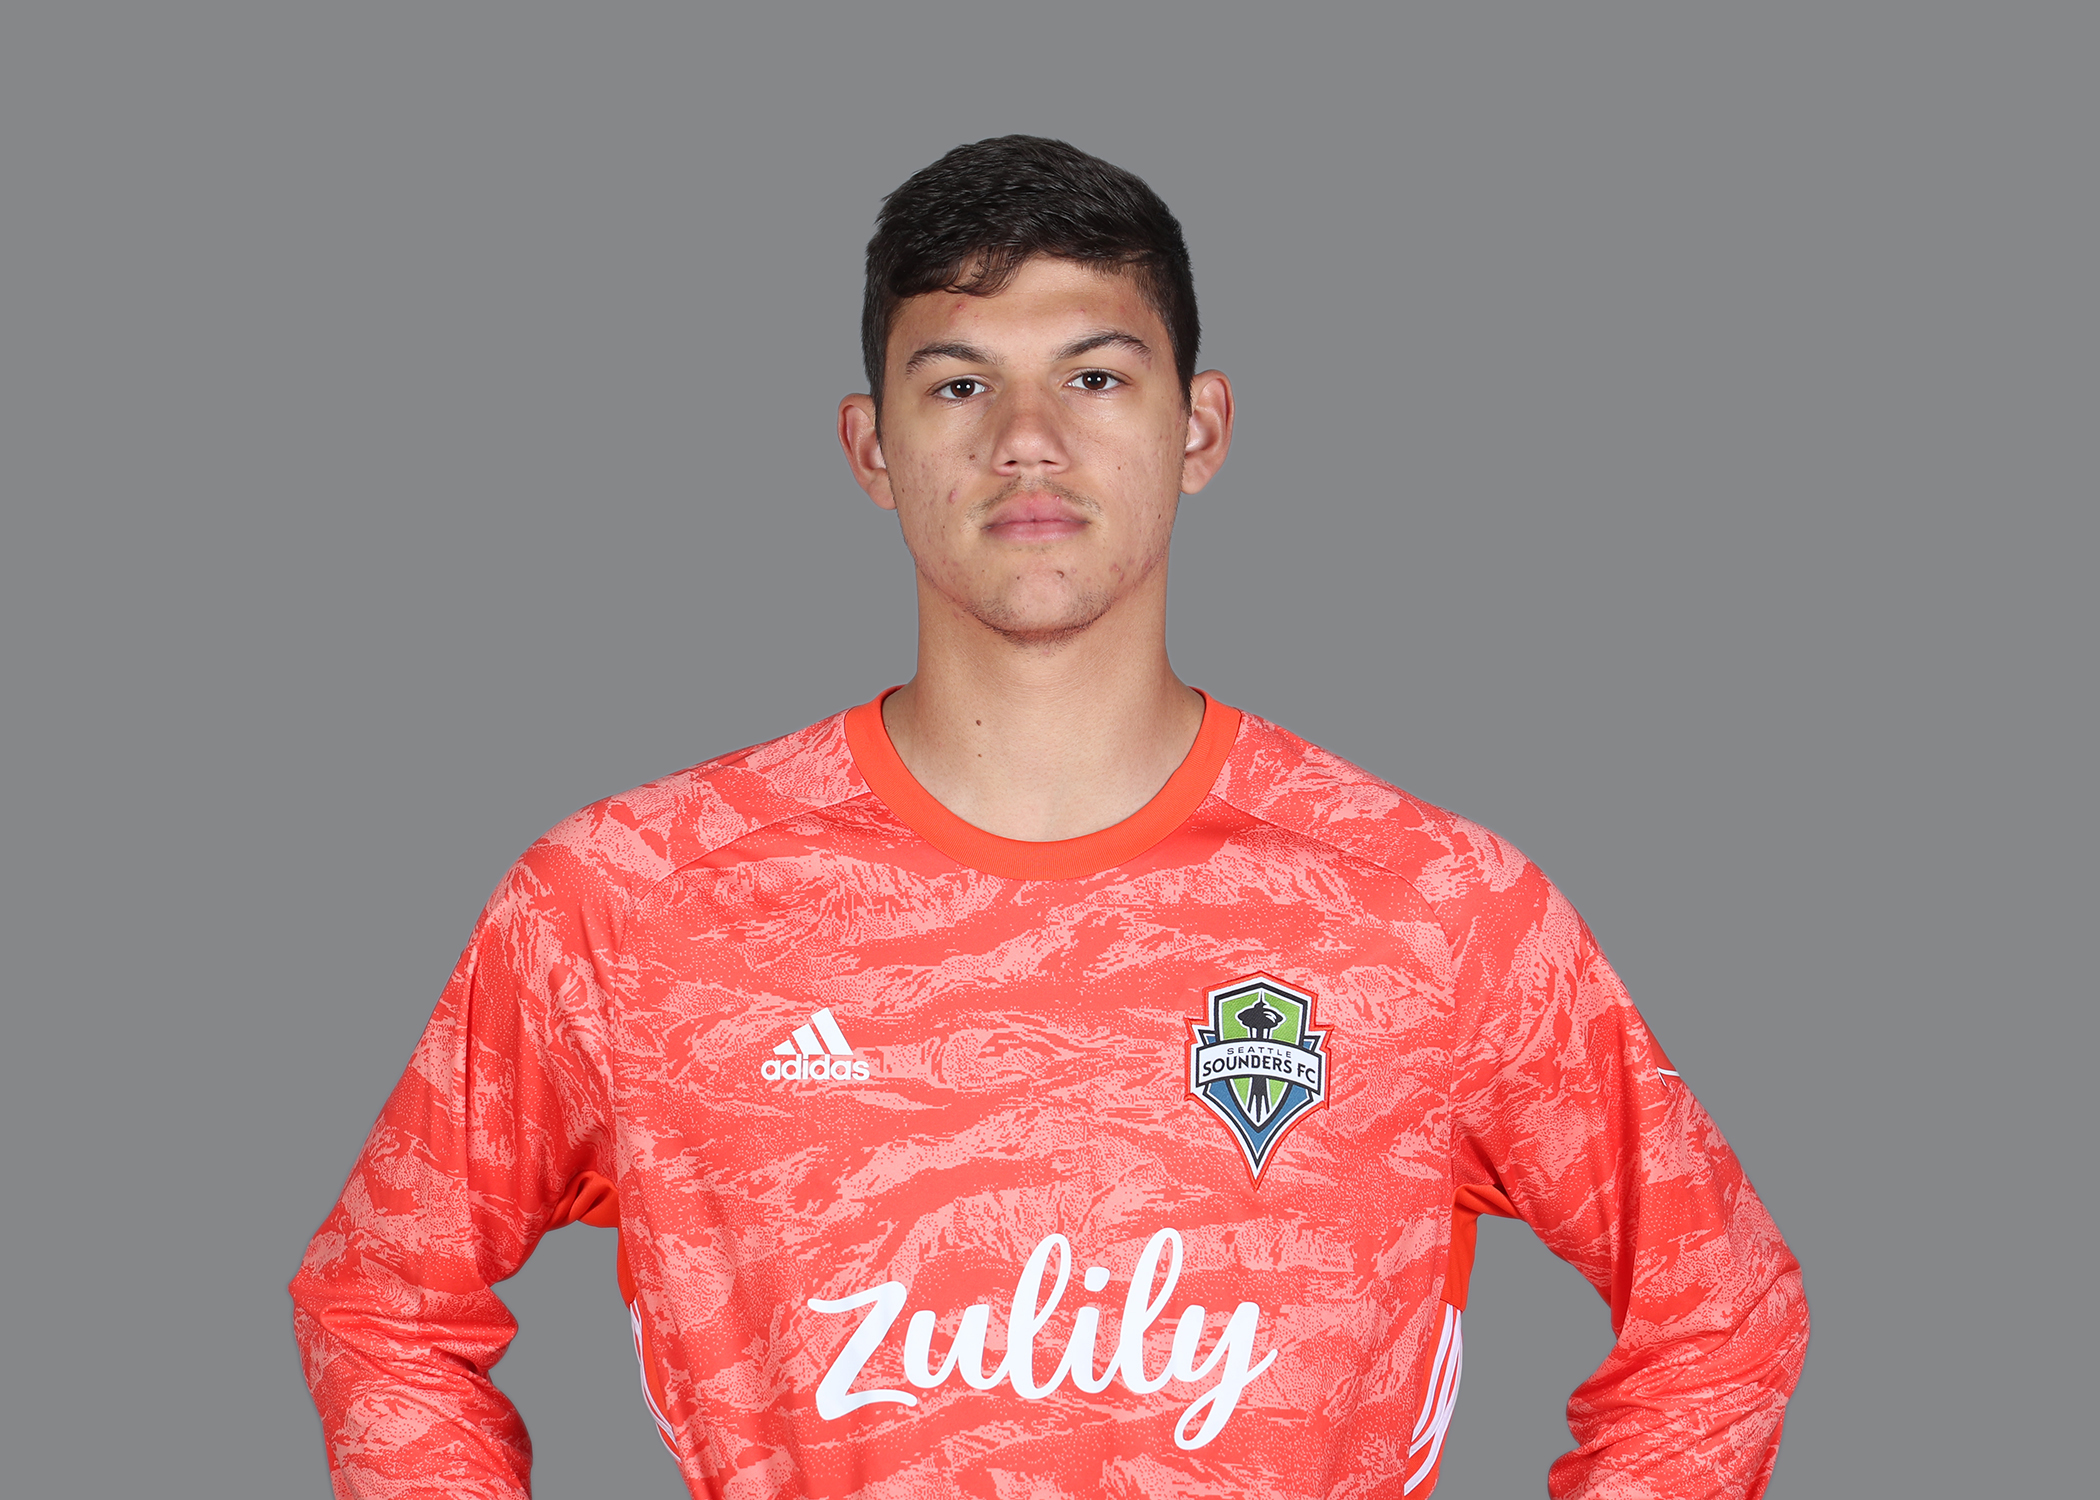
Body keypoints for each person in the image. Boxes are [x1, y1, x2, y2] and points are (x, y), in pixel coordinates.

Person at [291, 135, 1808, 1499]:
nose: (1027, 437)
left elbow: (1722, 1314)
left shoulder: (1433, 908)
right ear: (871, 447)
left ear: (1199, 427)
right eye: (960, 384)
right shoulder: (627, 903)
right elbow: (382, 1304)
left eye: (1094, 377)